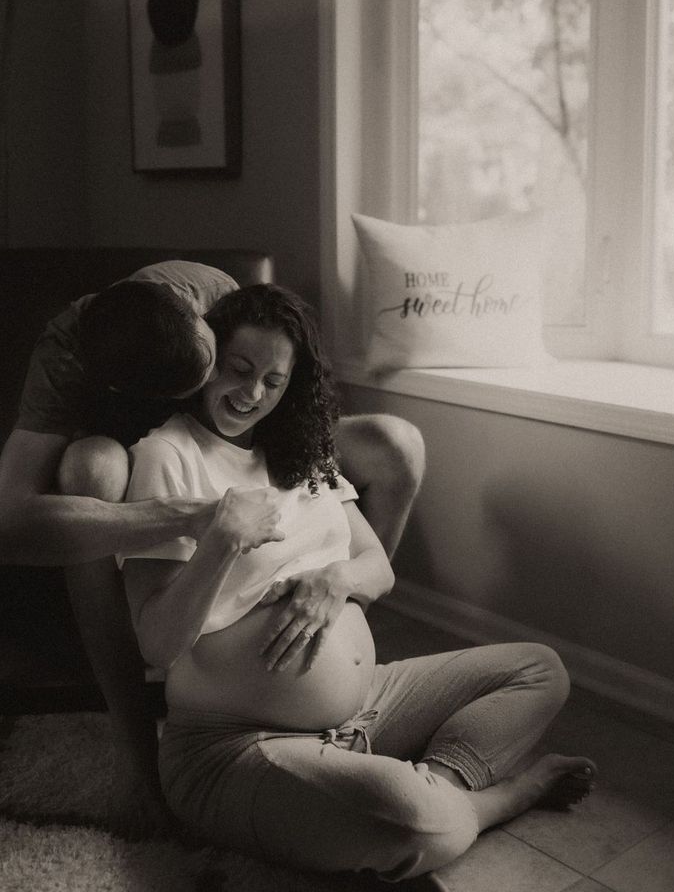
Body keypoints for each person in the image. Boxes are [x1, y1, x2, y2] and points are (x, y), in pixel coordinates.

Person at [121, 283, 596, 881]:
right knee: (416, 821)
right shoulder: (166, 455)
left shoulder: (298, 451)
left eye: (274, 381)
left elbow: (379, 567)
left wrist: (336, 579)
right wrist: (221, 539)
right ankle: (492, 800)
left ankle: (432, 788)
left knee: (540, 669)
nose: (252, 394)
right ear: (210, 360)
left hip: (369, 702)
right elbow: (156, 643)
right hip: (233, 743)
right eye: (240, 369)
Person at [0, 260, 424, 839]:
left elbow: (269, 376)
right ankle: (142, 755)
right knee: (91, 468)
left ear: (206, 322)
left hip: (233, 438)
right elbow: (9, 519)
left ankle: (323, 654)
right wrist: (192, 517)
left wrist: (338, 574)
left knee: (395, 445)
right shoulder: (66, 352)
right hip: (139, 462)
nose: (212, 386)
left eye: (210, 364)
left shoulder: (216, 294)